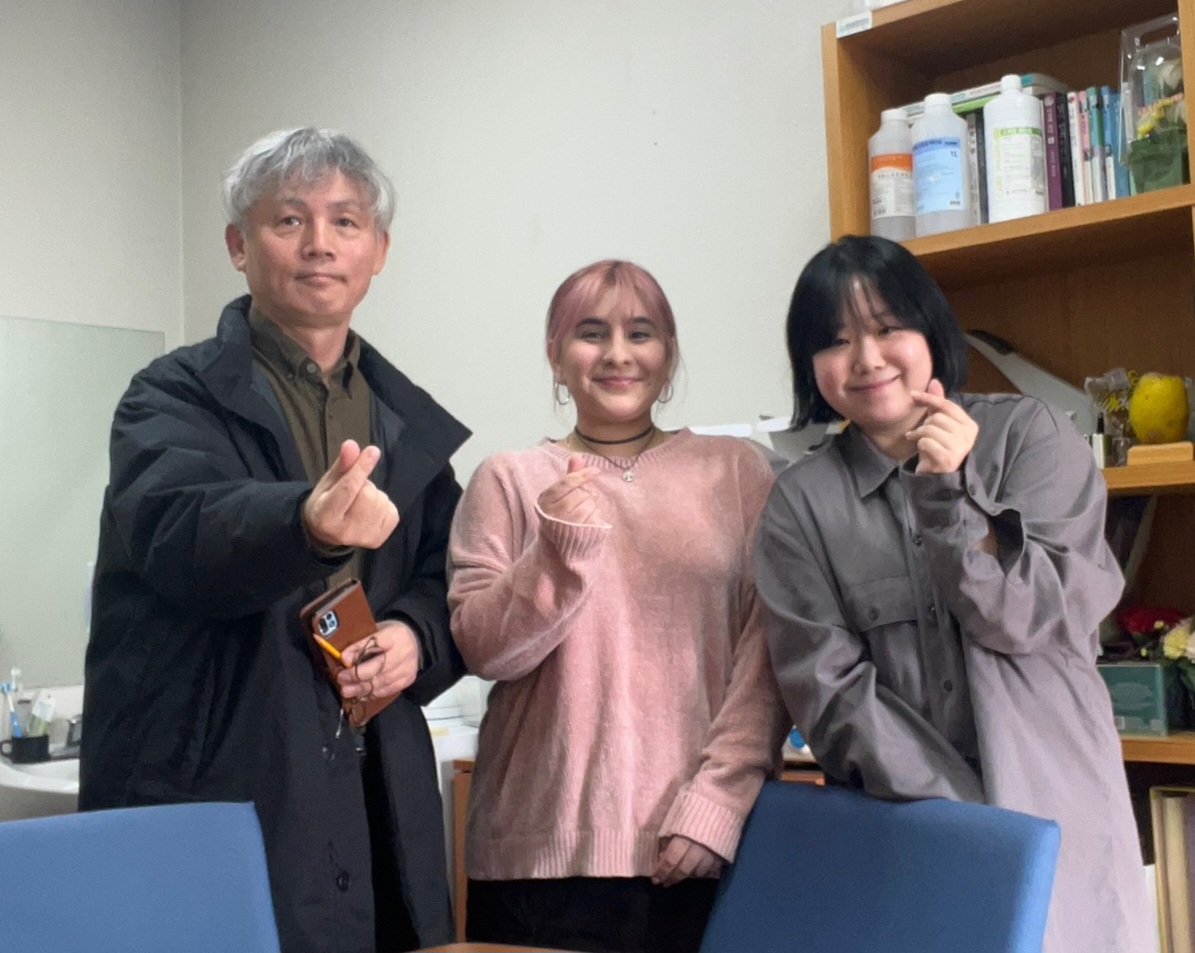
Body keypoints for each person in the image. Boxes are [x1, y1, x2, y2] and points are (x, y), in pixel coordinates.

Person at [79, 127, 469, 953]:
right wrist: (303, 523)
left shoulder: (408, 422)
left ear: (378, 250)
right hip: (218, 782)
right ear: (238, 245)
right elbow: (180, 528)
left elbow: (452, 576)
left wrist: (415, 636)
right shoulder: (169, 397)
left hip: (375, 797)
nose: (319, 243)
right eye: (289, 220)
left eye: (345, 221)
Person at [754, 234, 1152, 953]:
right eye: (834, 340)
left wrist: (947, 494)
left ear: (930, 330)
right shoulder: (799, 504)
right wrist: (961, 815)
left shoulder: (1027, 438)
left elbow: (1030, 616)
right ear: (809, 365)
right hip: (908, 829)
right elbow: (828, 692)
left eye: (887, 327)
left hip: (1061, 811)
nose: (866, 358)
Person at [447, 259, 789, 953]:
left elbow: (767, 656)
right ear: (555, 354)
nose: (617, 354)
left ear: (669, 354)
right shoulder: (508, 478)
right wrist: (556, 554)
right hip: (538, 860)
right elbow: (484, 649)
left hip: (697, 845)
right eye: (590, 333)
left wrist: (717, 802)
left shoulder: (736, 471)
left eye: (640, 333)